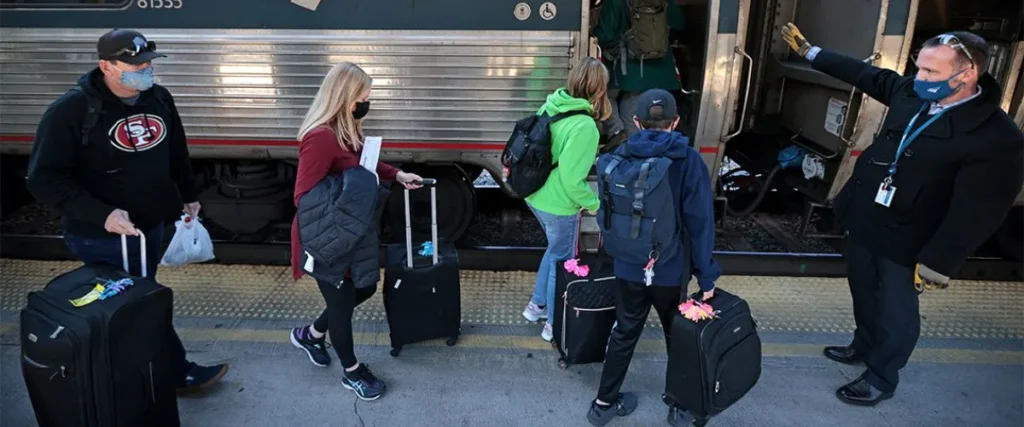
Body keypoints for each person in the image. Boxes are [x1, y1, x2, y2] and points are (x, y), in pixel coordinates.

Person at [782, 24, 1024, 406]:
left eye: (932, 72)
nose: (920, 79)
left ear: (968, 74)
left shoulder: (997, 136)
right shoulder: (911, 92)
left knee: (897, 312)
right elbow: (868, 76)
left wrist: (938, 260)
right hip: (868, 218)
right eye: (920, 68)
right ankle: (863, 345)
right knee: (863, 288)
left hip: (913, 236)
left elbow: (980, 208)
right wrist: (812, 53)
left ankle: (881, 376)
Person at [25, 28, 230, 394]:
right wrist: (101, 214)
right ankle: (166, 373)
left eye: (148, 62)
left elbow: (176, 151)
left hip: (148, 229)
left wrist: (187, 193)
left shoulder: (158, 98)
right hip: (105, 237)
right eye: (135, 64)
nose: (145, 69)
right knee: (136, 308)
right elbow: (43, 179)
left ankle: (154, 374)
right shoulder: (71, 111)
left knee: (140, 303)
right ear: (106, 65)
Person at [286, 61, 424, 401]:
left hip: (350, 231)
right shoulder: (319, 137)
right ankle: (352, 372)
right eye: (363, 95)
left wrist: (397, 175)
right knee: (342, 303)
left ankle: (311, 334)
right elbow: (303, 195)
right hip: (324, 236)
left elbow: (365, 161)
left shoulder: (345, 129)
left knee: (361, 290)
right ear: (345, 96)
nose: (367, 100)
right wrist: (354, 187)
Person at [585, 88, 720, 426]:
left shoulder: (620, 155)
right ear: (675, 122)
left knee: (625, 330)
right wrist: (706, 278)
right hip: (670, 271)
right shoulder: (687, 161)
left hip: (628, 266)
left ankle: (603, 404)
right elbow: (700, 223)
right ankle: (680, 405)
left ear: (635, 122)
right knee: (678, 336)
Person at [519, 57, 612, 342]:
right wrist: (597, 205)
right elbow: (573, 181)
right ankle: (554, 326)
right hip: (559, 205)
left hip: (535, 194)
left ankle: (537, 306)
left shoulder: (553, 104)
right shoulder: (585, 127)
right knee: (562, 259)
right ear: (599, 90)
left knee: (554, 251)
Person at [593, 0, 686, 139]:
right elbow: (679, 23)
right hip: (663, 73)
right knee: (657, 127)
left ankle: (620, 135)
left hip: (631, 73)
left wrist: (594, 32)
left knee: (606, 97)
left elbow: (606, 35)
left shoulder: (615, 1)